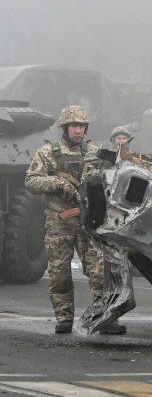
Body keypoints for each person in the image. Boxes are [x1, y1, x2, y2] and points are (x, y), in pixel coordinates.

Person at [25, 105, 126, 334]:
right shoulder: (48, 152)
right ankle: (64, 318)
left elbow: (116, 176)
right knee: (60, 274)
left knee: (100, 273)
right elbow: (31, 181)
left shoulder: (94, 152)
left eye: (81, 125)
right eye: (74, 125)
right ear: (65, 127)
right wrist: (59, 184)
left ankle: (105, 318)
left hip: (89, 222)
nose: (78, 130)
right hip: (60, 223)